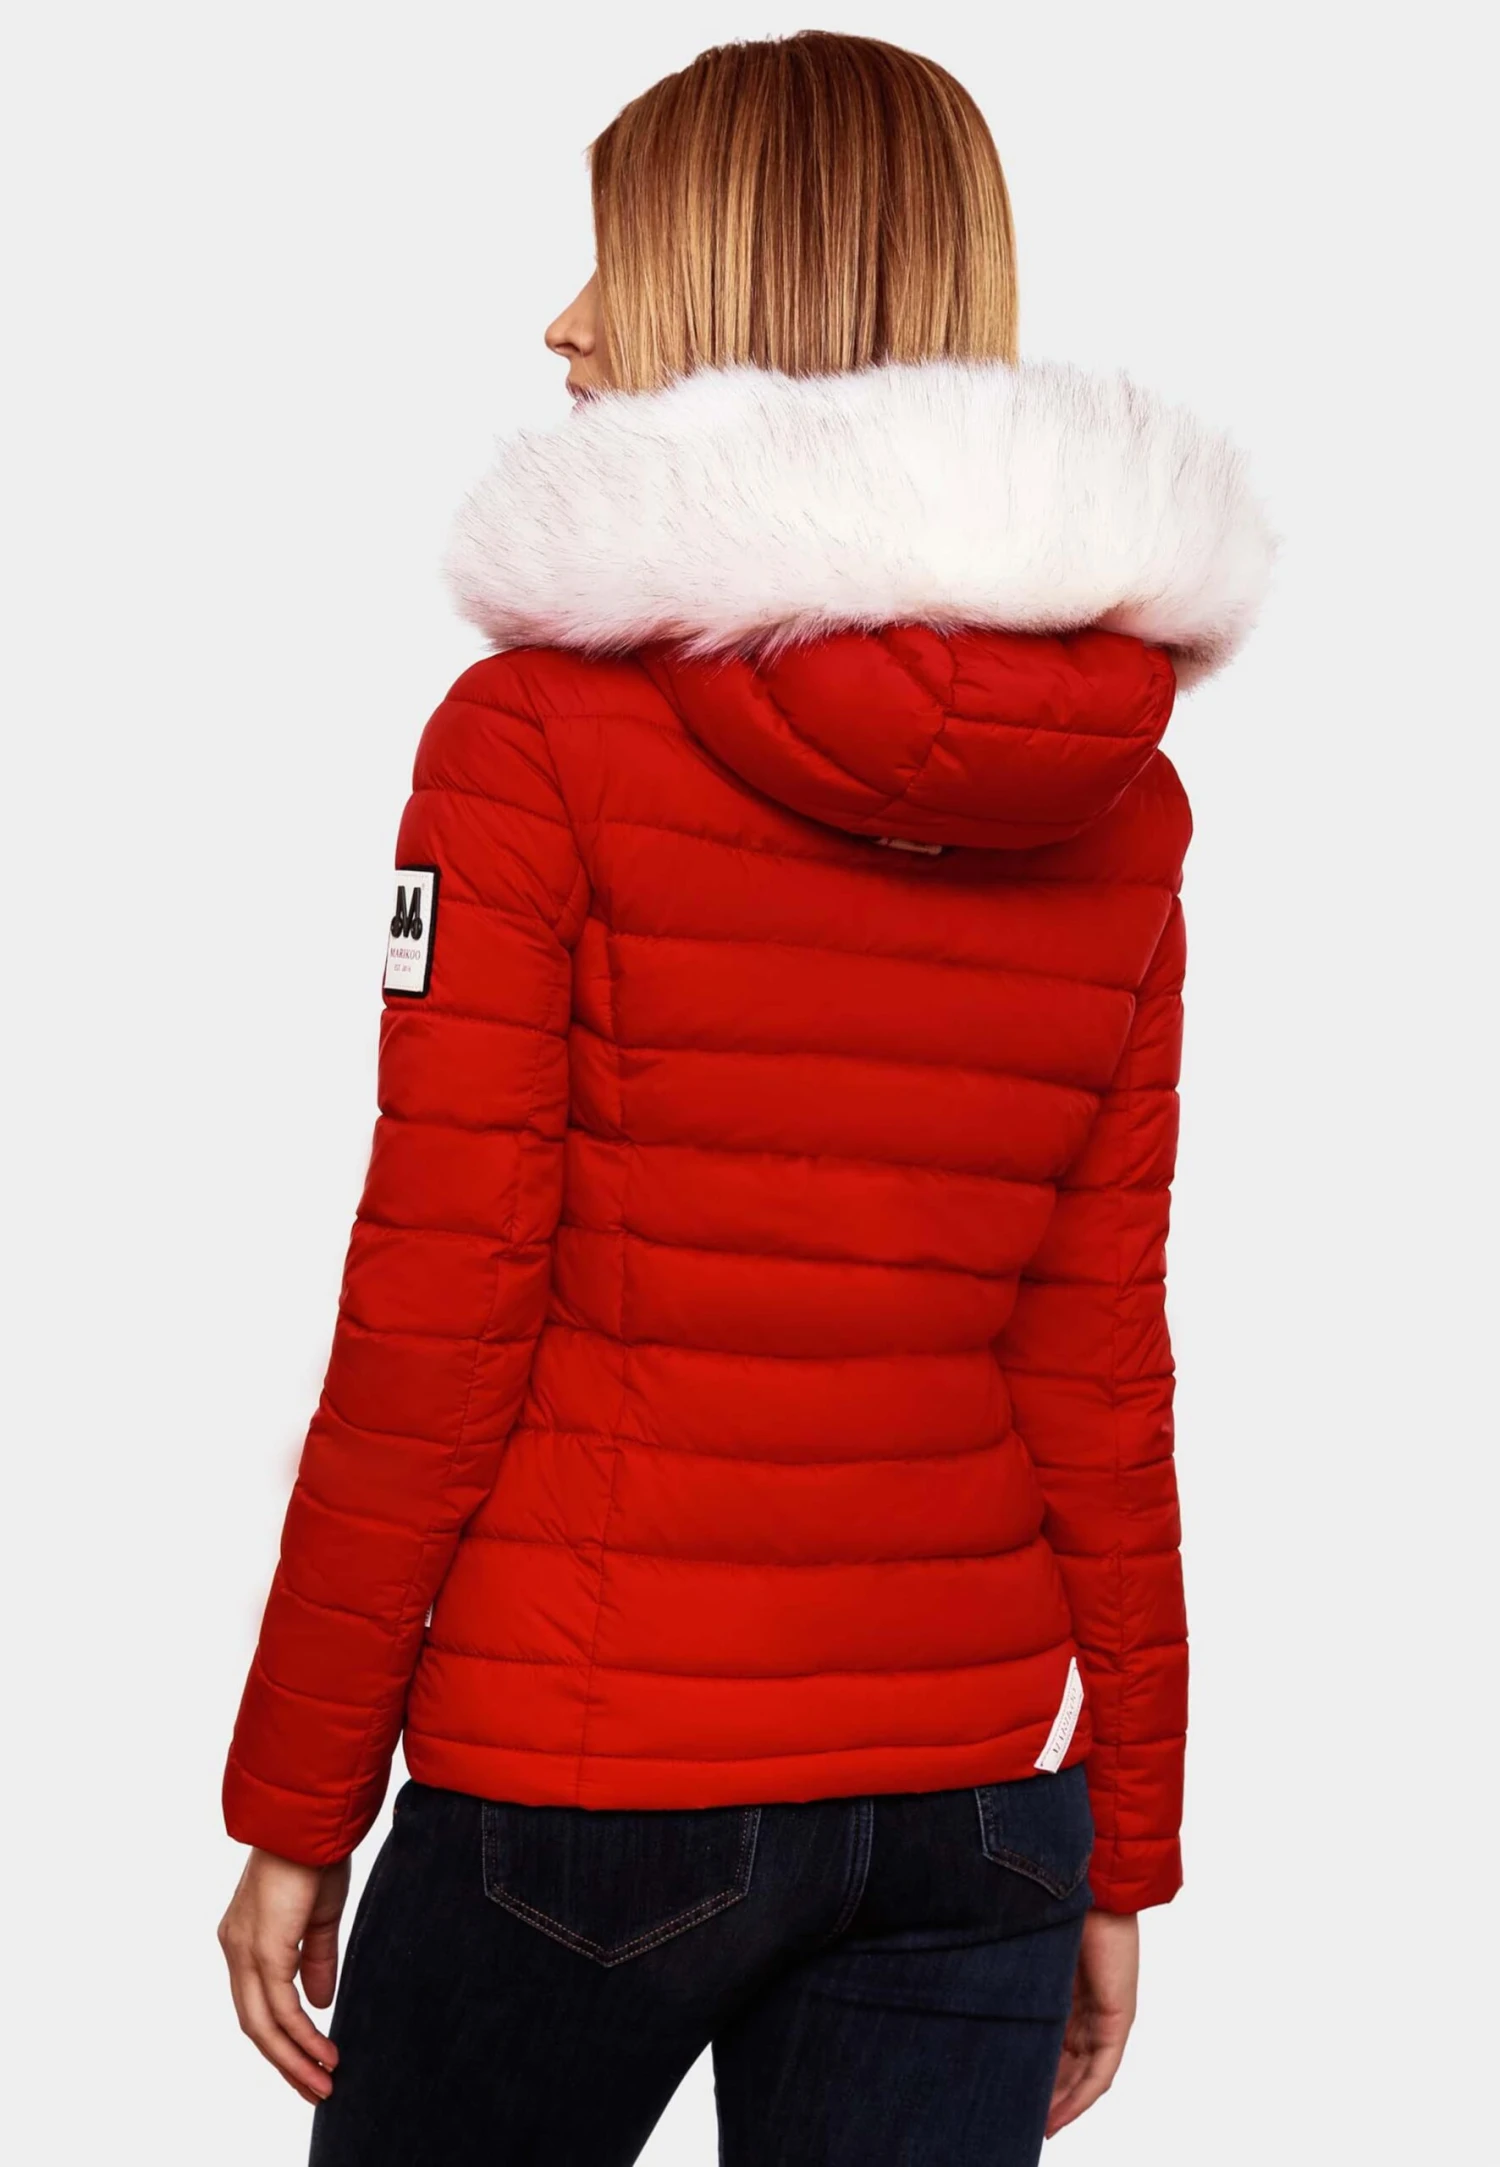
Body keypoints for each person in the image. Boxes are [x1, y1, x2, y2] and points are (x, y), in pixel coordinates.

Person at [218, 31, 1271, 2166]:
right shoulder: (1118, 797)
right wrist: (1123, 1840)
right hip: (974, 1809)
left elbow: (438, 1315)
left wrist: (297, 1798)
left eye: (614, 259)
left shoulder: (532, 741)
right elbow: (1099, 1362)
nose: (563, 322)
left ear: (731, 288)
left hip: (581, 1783)